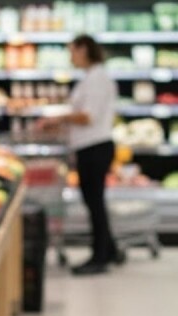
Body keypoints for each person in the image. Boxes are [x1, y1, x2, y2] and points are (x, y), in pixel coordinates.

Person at [37, 34, 121, 274]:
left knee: (94, 202)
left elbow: (87, 116)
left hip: (95, 147)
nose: (71, 57)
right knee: (95, 201)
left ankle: (99, 257)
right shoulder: (92, 77)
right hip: (90, 146)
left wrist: (58, 119)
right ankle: (110, 249)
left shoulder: (97, 78)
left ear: (84, 50)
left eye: (72, 51)